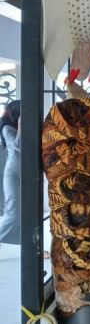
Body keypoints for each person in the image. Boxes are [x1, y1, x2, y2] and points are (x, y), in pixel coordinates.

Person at [0, 100, 21, 244]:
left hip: (27, 173)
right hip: (13, 175)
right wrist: (21, 125)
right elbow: (19, 147)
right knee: (13, 212)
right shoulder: (7, 128)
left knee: (28, 212)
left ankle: (32, 246)